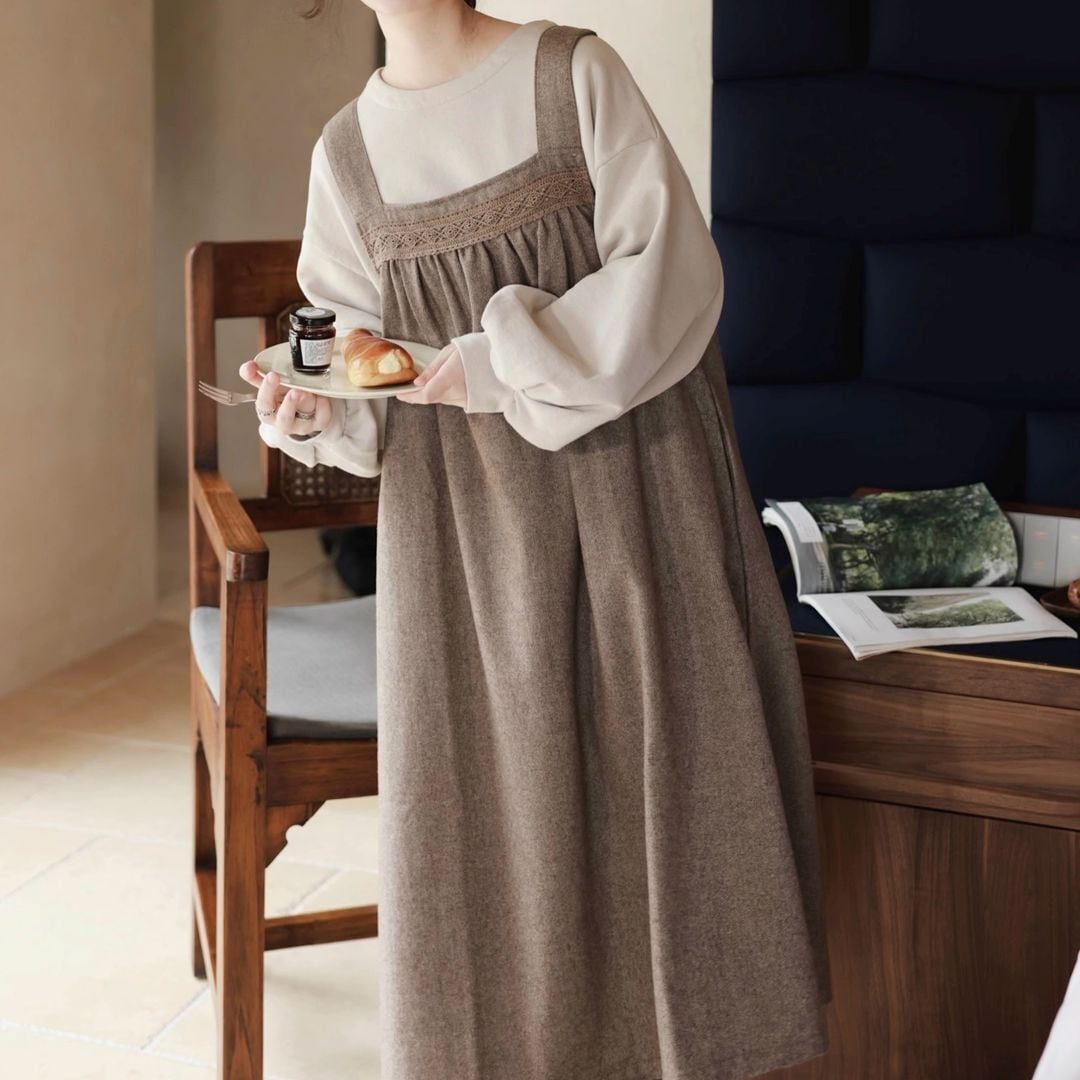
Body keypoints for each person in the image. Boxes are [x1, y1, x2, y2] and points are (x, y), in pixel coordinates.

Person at [240, 3, 831, 1077]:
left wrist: (494, 364)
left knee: (670, 786)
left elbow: (671, 272)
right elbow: (354, 365)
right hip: (463, 547)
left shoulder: (572, 74)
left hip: (639, 497)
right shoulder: (347, 154)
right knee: (495, 820)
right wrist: (311, 410)